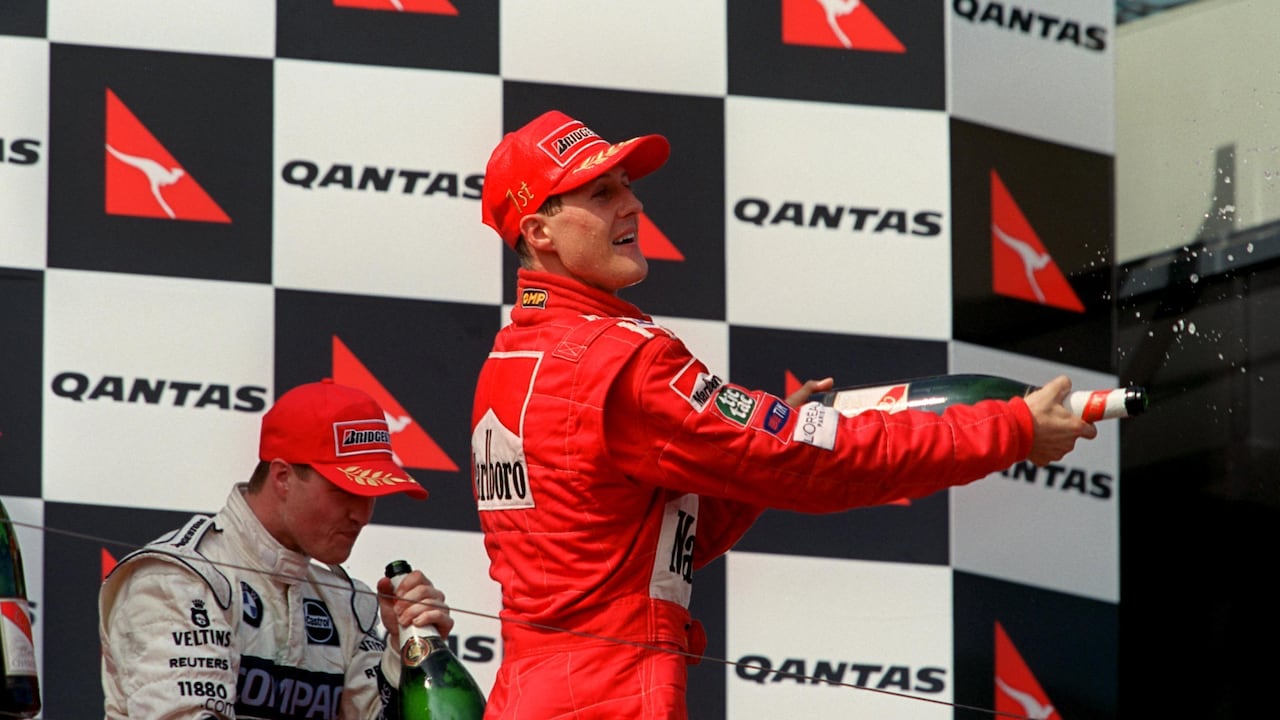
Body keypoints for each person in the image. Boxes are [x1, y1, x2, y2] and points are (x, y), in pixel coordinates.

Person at [471, 109, 1099, 719]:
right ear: (539, 233)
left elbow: (626, 546)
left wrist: (748, 461)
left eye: (628, 186)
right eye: (601, 191)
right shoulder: (621, 361)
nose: (632, 205)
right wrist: (1010, 430)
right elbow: (823, 465)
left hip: (530, 694)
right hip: (614, 697)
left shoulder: (509, 359)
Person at [99, 379, 454, 719]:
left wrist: (403, 654)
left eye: (372, 494)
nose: (360, 514)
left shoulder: (344, 603)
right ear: (283, 477)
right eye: (345, 492)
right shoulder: (180, 580)